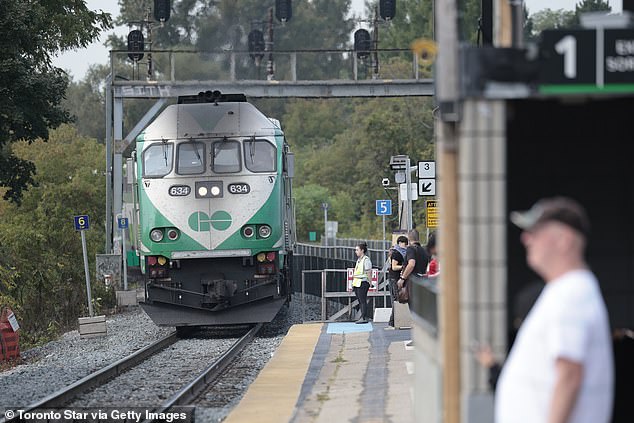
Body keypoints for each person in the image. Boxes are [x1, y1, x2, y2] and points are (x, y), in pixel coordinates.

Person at [495, 197, 614, 423]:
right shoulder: (569, 289)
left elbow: (569, 374)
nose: (526, 239)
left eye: (536, 232)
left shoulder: (571, 293)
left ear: (564, 240)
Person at [397, 229, 429, 302]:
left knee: (413, 306)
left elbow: (411, 264)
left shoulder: (411, 249)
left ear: (409, 239)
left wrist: (402, 278)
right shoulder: (424, 250)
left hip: (412, 282)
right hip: (423, 281)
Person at [386, 235, 408, 329]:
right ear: (400, 243)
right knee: (395, 300)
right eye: (405, 244)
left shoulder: (399, 252)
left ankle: (393, 321)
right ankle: (392, 322)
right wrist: (403, 267)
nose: (406, 246)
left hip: (395, 278)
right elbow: (394, 267)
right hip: (394, 278)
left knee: (396, 300)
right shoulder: (396, 253)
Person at [352, 242, 372, 324]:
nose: (356, 251)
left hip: (363, 282)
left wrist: (370, 282)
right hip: (357, 282)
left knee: (363, 300)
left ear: (362, 250)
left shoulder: (366, 260)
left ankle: (363, 317)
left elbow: (368, 272)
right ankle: (362, 316)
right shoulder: (359, 260)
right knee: (360, 300)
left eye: (357, 250)